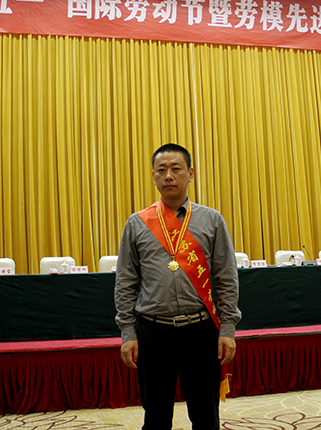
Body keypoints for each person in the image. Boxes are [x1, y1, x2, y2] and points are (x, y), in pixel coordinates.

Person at [114, 143, 241, 430]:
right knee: (156, 417)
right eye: (161, 170)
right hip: (153, 332)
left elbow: (226, 277)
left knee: (205, 416)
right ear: (153, 176)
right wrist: (127, 332)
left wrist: (228, 328)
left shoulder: (212, 220)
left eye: (176, 169)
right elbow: (125, 281)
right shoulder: (137, 223)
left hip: (201, 331)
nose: (168, 176)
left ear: (190, 173)